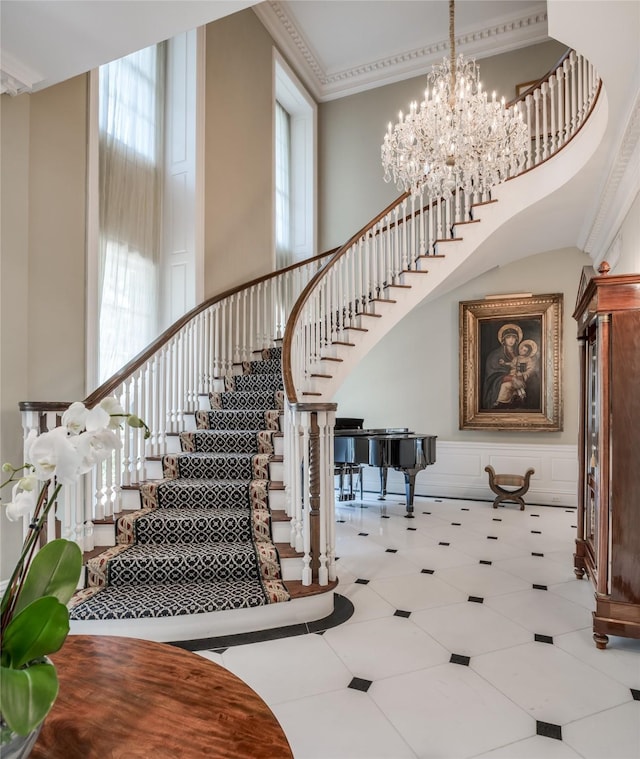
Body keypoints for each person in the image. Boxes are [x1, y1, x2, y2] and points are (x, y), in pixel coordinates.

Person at [481, 323, 522, 410]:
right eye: (508, 337)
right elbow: (493, 375)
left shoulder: (518, 354)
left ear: (517, 339)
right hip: (497, 384)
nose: (511, 340)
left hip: (516, 380)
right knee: (508, 386)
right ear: (503, 340)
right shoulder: (495, 355)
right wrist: (511, 378)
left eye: (513, 337)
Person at [494, 339, 539, 406]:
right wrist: (504, 363)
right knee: (511, 384)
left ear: (527, 352)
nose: (521, 351)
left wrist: (524, 374)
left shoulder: (528, 360)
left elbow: (530, 369)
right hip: (513, 374)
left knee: (517, 385)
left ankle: (521, 396)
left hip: (522, 376)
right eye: (521, 349)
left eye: (524, 351)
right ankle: (501, 400)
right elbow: (512, 364)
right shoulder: (516, 358)